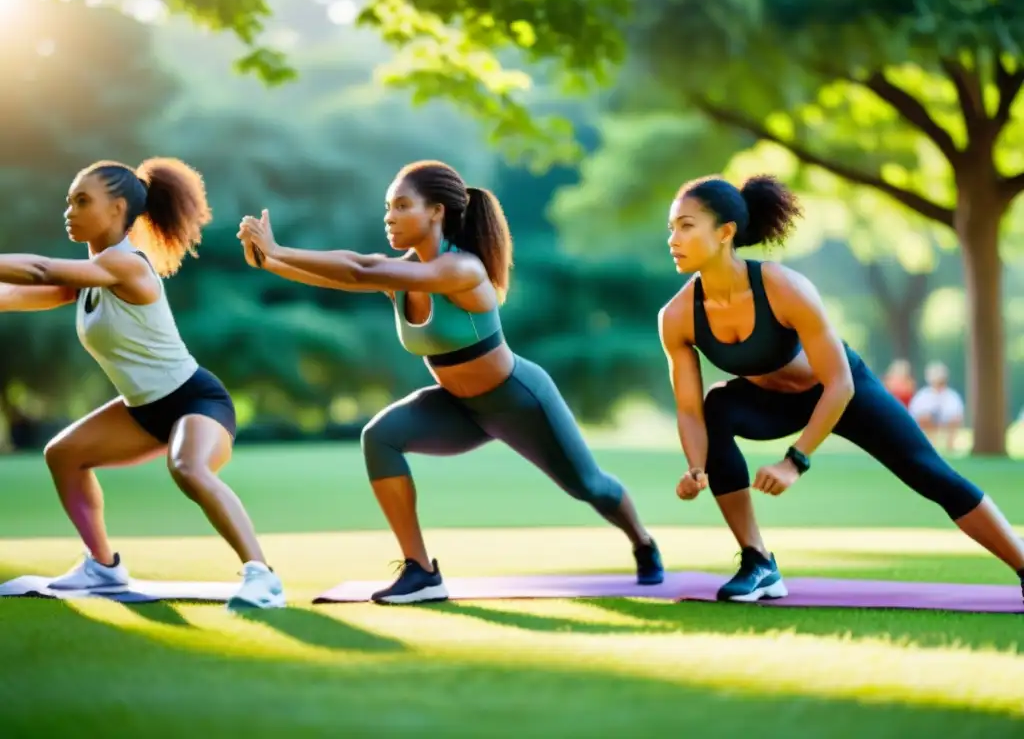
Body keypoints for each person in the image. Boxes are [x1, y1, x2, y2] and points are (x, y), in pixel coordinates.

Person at [237, 159, 664, 604]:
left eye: (403, 206)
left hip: (518, 400)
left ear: (437, 212)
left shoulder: (461, 270)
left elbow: (360, 271)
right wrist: (271, 261)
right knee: (379, 437)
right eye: (388, 207)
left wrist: (280, 250)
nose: (389, 216)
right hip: (459, 408)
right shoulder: (402, 277)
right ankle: (420, 570)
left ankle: (642, 541)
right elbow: (353, 268)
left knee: (589, 487)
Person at [657, 174, 1024, 603]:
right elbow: (688, 409)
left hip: (843, 392)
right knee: (716, 404)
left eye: (686, 226)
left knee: (931, 474)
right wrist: (696, 469)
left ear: (725, 232)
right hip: (771, 403)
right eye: (671, 228)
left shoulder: (783, 287)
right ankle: (758, 562)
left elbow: (839, 384)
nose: (673, 239)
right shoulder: (677, 316)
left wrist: (795, 460)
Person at [0, 158, 285, 610]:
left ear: (116, 209)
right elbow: (16, 294)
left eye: (81, 201)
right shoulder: (91, 276)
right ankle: (103, 568)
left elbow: (39, 270)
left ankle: (262, 577)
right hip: (143, 409)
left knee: (188, 467)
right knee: (64, 455)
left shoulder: (128, 265)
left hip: (196, 401)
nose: (68, 211)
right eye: (69, 201)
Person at [908, 361, 964, 453]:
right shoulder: (923, 395)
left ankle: (950, 447)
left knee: (954, 419)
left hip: (945, 421)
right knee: (924, 418)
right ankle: (928, 446)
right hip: (928, 423)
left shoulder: (952, 395)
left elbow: (957, 414)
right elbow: (915, 414)